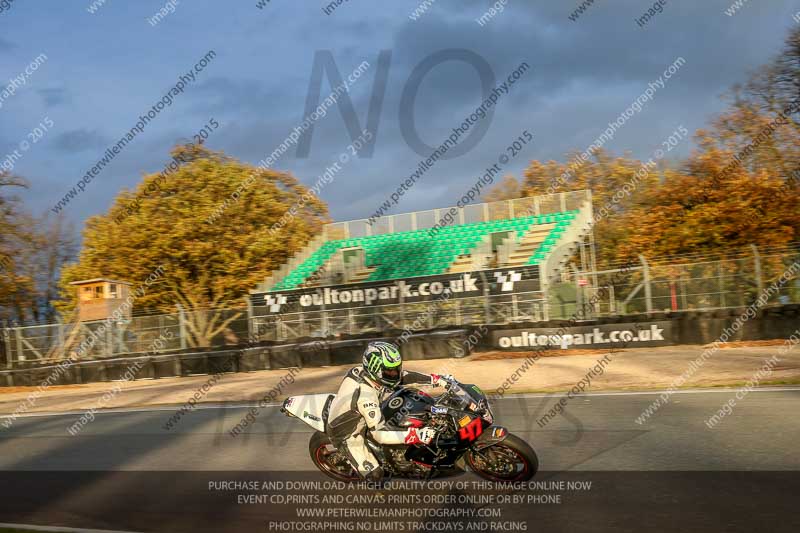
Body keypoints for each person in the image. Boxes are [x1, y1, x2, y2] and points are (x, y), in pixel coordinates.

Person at [325, 340, 453, 481]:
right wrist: (417, 435)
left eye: (396, 369)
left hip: (362, 409)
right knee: (376, 476)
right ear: (376, 370)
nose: (395, 374)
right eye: (390, 371)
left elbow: (404, 377)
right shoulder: (366, 398)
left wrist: (437, 380)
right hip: (347, 433)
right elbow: (379, 435)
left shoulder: (364, 372)